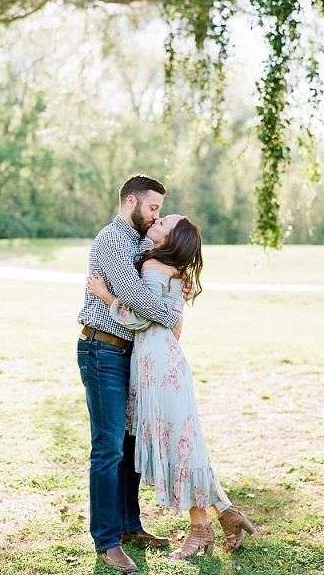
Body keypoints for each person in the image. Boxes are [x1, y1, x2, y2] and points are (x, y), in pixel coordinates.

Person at [87, 214, 256, 559]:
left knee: (179, 444)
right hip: (167, 362)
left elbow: (142, 316)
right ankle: (225, 513)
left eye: (164, 221)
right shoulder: (174, 268)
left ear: (170, 238)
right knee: (184, 440)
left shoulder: (153, 266)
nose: (157, 220)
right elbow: (169, 313)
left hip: (157, 365)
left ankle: (200, 530)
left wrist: (105, 295)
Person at [77, 175, 183, 573]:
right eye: (152, 208)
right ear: (131, 201)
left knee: (129, 446)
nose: (156, 215)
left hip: (130, 355)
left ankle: (129, 526)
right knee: (108, 448)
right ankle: (106, 541)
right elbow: (136, 298)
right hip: (101, 350)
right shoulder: (112, 239)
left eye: (160, 211)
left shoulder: (141, 242)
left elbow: (167, 264)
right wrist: (170, 314)